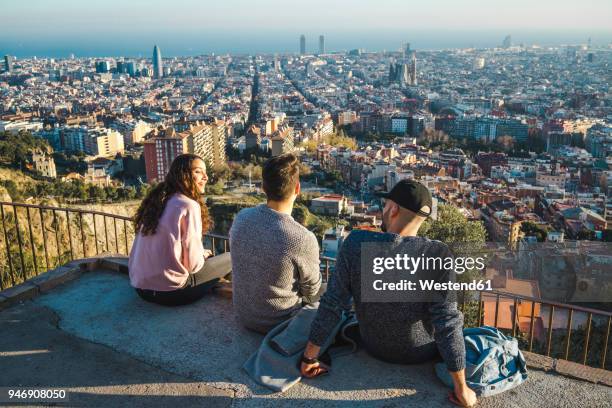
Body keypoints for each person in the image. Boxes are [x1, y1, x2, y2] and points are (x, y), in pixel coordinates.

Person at [300, 180, 477, 408]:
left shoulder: (356, 244)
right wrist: (462, 388)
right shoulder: (438, 254)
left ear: (393, 209)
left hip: (373, 345)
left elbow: (333, 303)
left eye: (385, 205)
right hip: (421, 353)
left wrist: (309, 358)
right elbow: (447, 320)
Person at [230, 153, 322, 333]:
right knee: (328, 291)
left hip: (244, 316)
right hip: (280, 323)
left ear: (264, 187)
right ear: (297, 189)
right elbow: (311, 292)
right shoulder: (301, 238)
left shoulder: (241, 218)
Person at [128, 154, 231, 306]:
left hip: (140, 288)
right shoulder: (188, 205)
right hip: (173, 293)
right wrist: (201, 256)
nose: (206, 177)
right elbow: (194, 266)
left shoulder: (158, 201)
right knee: (231, 257)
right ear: (183, 175)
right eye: (198, 171)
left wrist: (200, 254)